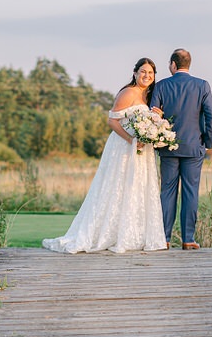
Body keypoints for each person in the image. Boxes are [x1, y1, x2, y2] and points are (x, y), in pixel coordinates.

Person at [42, 59, 167, 254]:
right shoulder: (128, 93)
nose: (147, 76)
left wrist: (155, 119)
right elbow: (112, 121)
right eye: (143, 71)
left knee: (137, 187)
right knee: (118, 185)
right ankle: (108, 233)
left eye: (150, 73)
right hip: (124, 147)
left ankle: (133, 234)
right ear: (135, 73)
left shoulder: (148, 97)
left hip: (142, 151)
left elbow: (144, 122)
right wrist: (131, 140)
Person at [150, 49, 212, 249]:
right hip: (194, 146)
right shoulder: (202, 85)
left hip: (168, 147)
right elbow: (211, 117)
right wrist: (207, 142)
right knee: (191, 192)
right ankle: (188, 239)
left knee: (167, 192)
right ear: (189, 63)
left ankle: (164, 238)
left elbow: (153, 116)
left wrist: (157, 140)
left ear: (173, 64)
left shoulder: (161, 86)